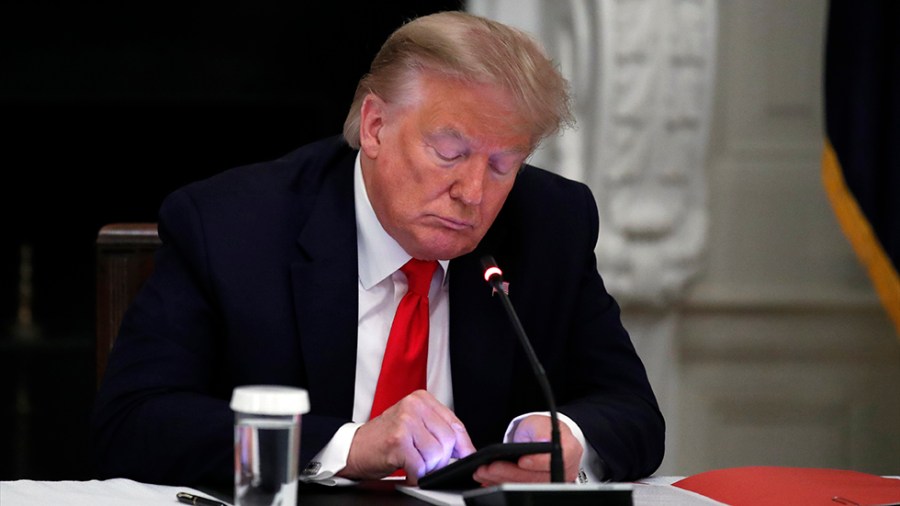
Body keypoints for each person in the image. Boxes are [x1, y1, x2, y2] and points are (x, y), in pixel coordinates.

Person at [90, 10, 665, 489]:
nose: (472, 192)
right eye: (448, 151)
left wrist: (567, 438)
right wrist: (348, 445)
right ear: (375, 126)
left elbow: (632, 412)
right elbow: (133, 424)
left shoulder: (549, 224)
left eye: (501, 164)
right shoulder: (233, 226)